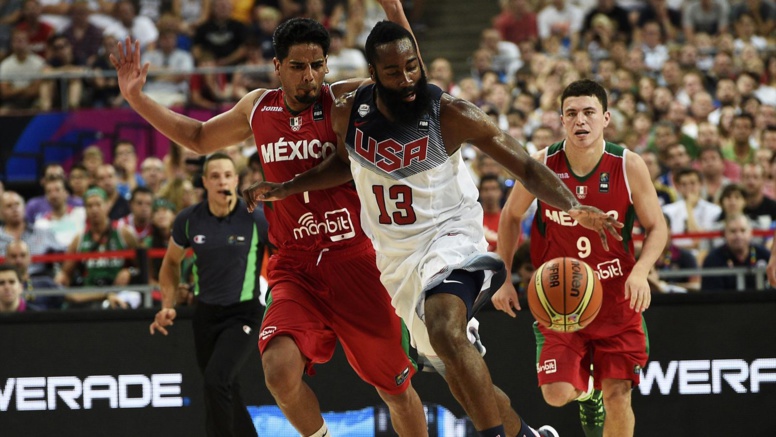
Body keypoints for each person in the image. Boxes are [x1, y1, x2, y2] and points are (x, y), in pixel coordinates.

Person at [245, 23, 622, 437]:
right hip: (397, 261)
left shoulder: (451, 113)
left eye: (412, 67)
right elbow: (342, 163)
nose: (407, 80)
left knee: (444, 325)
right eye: (393, 72)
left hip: (452, 237)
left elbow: (528, 166)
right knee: (459, 376)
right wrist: (287, 187)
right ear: (373, 74)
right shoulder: (347, 112)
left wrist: (573, 205)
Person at [112, 4, 430, 436]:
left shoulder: (343, 100)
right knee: (278, 373)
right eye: (298, 67)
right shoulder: (257, 108)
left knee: (395, 390)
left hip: (354, 260)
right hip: (295, 267)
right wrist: (137, 98)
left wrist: (394, 8)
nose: (309, 76)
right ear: (277, 66)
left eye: (317, 65)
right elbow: (199, 138)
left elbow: (407, 79)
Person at [493, 79, 668, 437]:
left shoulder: (627, 164)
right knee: (556, 395)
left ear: (605, 118)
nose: (580, 121)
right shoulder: (542, 164)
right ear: (561, 120)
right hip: (561, 299)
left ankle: (599, 394)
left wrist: (641, 272)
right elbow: (510, 216)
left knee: (618, 395)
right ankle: (588, 394)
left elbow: (658, 228)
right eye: (571, 113)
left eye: (588, 112)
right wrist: (503, 276)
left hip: (617, 297)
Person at [150, 153, 268, 437]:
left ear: (237, 180)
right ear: (204, 182)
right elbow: (171, 263)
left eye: (227, 175)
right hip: (205, 316)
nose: (222, 181)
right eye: (214, 176)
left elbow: (286, 257)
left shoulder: (255, 218)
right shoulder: (190, 219)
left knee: (216, 381)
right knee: (223, 387)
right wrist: (167, 304)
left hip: (244, 313)